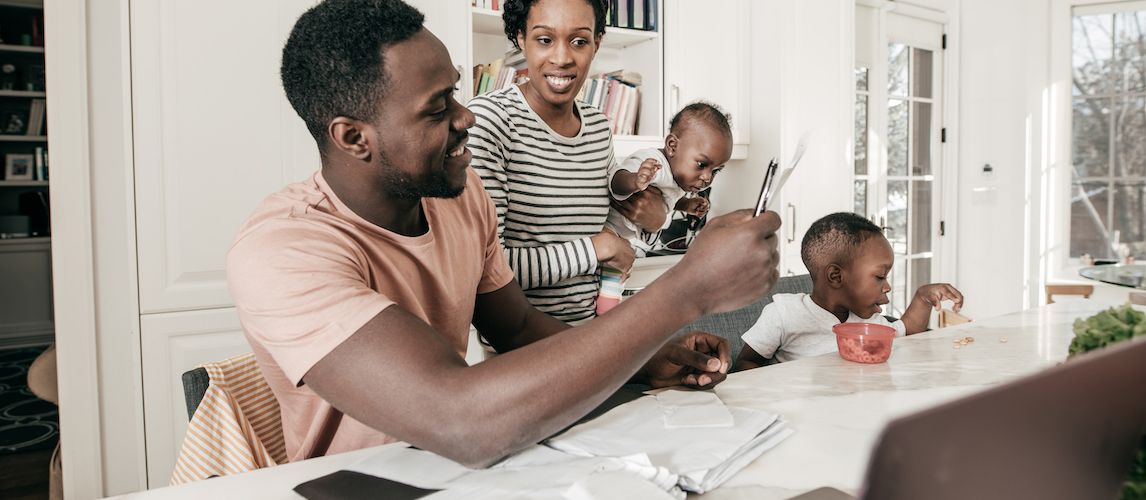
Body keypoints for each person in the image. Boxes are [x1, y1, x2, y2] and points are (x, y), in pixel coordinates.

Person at [226, 0, 782, 468]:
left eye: (456, 94)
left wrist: (648, 358)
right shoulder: (282, 251)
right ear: (353, 138)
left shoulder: (462, 201)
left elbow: (516, 326)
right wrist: (688, 289)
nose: (466, 117)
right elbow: (458, 419)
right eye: (436, 108)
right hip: (366, 481)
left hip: (469, 471)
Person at [468, 0, 671, 324]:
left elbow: (619, 230)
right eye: (545, 39)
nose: (562, 58)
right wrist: (596, 249)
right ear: (520, 38)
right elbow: (487, 269)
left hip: (596, 335)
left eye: (578, 41)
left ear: (597, 42)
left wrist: (655, 220)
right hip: (522, 351)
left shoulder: (598, 125)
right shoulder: (491, 120)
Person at [736, 212, 962, 370]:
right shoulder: (784, 313)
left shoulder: (870, 323)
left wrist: (922, 298)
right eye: (879, 277)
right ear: (836, 277)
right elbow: (745, 364)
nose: (887, 287)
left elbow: (908, 331)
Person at [606, 102, 733, 257]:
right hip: (606, 233)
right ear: (672, 146)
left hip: (623, 243)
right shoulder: (653, 163)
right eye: (701, 164)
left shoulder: (676, 181)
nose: (707, 177)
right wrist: (634, 180)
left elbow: (668, 201)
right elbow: (615, 182)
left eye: (716, 170)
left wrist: (686, 205)